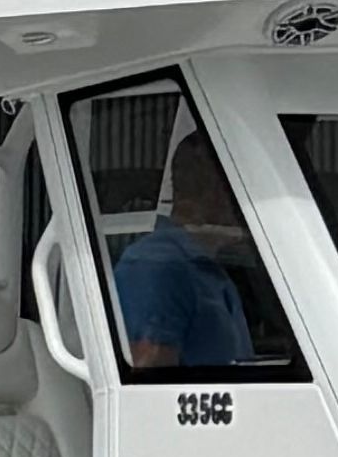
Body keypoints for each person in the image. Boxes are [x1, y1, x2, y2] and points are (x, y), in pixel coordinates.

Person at [110, 123, 262, 377]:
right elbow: (146, 381)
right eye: (247, 186)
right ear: (215, 191)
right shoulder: (156, 265)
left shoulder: (208, 266)